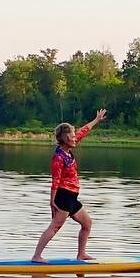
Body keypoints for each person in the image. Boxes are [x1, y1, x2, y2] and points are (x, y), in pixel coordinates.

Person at [31, 109, 107, 263]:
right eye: (72, 136)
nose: (75, 138)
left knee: (87, 223)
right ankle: (36, 256)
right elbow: (55, 181)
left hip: (72, 197)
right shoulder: (58, 157)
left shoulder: (68, 149)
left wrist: (96, 120)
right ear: (65, 139)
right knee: (55, 227)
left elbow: (83, 131)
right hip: (63, 196)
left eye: (74, 136)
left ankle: (81, 254)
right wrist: (52, 202)